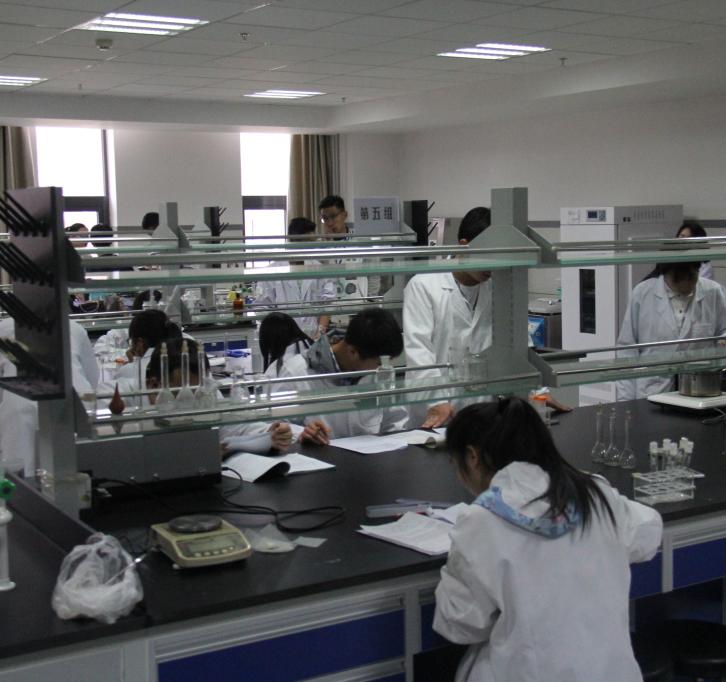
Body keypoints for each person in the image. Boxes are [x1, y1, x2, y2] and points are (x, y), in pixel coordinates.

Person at [433, 397, 663, 682]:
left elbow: (460, 624)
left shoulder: (481, 521)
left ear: (472, 456)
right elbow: (650, 531)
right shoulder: (594, 493)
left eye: (456, 464)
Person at [403, 207, 493, 428]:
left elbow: (517, 343)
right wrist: (436, 401)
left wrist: (538, 391)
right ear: (463, 245)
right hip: (435, 416)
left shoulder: (497, 288)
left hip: (482, 412)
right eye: (487, 255)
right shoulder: (424, 285)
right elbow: (419, 352)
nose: (492, 265)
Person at [0, 317, 100, 476]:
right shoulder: (74, 327)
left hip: (21, 407)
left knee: (23, 481)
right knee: (72, 476)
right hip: (71, 404)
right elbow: (92, 379)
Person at [272, 308, 407, 444]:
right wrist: (302, 434)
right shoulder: (297, 372)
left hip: (370, 454)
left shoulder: (380, 372)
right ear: (353, 352)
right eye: (379, 363)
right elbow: (274, 425)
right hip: (317, 454)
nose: (383, 368)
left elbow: (395, 421)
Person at [144, 337, 292, 455]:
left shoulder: (207, 392)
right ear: (154, 386)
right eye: (185, 397)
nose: (195, 403)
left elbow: (235, 427)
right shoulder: (134, 403)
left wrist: (270, 433)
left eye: (198, 395)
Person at [616, 261, 726, 400]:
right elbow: (627, 350)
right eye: (678, 282)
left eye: (691, 279)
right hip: (653, 390)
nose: (686, 287)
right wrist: (625, 401)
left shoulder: (713, 291)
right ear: (666, 273)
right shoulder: (643, 292)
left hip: (700, 388)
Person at [253, 217, 335, 339]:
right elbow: (262, 308)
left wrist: (320, 332)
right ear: (292, 241)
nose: (311, 248)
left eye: (313, 243)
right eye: (307, 243)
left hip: (312, 337)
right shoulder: (272, 271)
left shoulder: (318, 269)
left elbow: (327, 303)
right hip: (282, 339)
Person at [642, 222, 715, 282]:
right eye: (682, 236)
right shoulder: (670, 258)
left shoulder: (704, 267)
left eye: (689, 238)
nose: (684, 241)